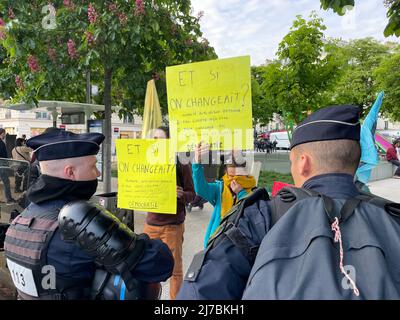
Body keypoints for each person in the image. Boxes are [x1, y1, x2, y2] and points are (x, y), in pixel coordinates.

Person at [177, 105, 400, 300]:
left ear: (303, 163)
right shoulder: (393, 219)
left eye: (291, 161)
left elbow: (201, 290)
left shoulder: (262, 215)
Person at [4, 129, 174, 300]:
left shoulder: (23, 217)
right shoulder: (78, 222)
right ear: (70, 172)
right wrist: (133, 240)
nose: (98, 173)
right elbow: (159, 264)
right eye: (93, 166)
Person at [143, 126, 195, 300]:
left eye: (161, 138)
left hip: (172, 226)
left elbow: (192, 195)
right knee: (146, 267)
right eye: (155, 139)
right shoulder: (147, 162)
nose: (157, 142)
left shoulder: (181, 162)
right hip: (150, 224)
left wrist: (181, 195)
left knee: (174, 271)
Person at [192, 144, 256, 247]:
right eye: (230, 176)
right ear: (225, 171)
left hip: (240, 246)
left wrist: (241, 193)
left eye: (239, 177)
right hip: (216, 243)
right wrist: (197, 163)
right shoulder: (219, 188)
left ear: (246, 173)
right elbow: (200, 188)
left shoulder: (253, 192)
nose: (234, 180)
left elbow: (252, 216)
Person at [0, 128, 15, 204]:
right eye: (4, 133)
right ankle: (9, 200)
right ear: (1, 133)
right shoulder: (1, 142)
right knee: (6, 182)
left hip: (2, 163)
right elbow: (2, 154)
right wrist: (7, 160)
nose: (5, 135)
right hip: (2, 164)